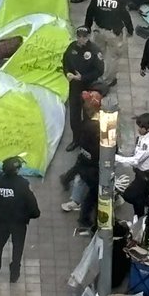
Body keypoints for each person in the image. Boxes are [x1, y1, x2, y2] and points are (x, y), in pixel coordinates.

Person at [0, 156, 40, 282]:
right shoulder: (23, 185)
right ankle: (14, 274)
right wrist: (28, 215)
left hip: (1, 222)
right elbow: (33, 207)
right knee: (17, 248)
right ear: (17, 170)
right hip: (19, 224)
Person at [60, 98, 102, 229]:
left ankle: (66, 179)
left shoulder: (85, 126)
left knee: (77, 170)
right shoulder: (95, 129)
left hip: (84, 162)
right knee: (92, 195)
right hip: (91, 168)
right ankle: (84, 218)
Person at [84, 0, 132, 84]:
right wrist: (130, 30)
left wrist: (87, 27)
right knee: (113, 57)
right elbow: (125, 16)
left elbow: (89, 13)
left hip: (99, 31)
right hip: (113, 34)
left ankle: (97, 75)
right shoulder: (119, 0)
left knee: (99, 54)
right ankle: (108, 80)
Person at [62, 27, 105, 151]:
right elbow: (65, 62)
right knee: (74, 115)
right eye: (79, 36)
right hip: (75, 87)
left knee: (88, 115)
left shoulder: (94, 51)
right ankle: (76, 139)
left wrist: (83, 77)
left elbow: (99, 71)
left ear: (88, 36)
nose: (81, 39)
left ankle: (86, 140)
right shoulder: (72, 48)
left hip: (89, 87)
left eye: (84, 37)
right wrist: (67, 73)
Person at [116, 113, 149, 220]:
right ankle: (140, 216)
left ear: (148, 129)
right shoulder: (146, 136)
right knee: (140, 195)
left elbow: (136, 160)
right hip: (142, 171)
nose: (138, 130)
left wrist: (116, 158)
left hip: (147, 174)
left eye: (140, 127)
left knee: (130, 195)